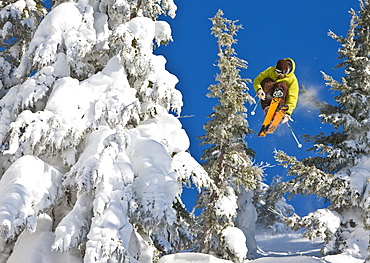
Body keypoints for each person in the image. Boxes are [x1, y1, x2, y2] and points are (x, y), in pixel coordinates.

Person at [253, 58, 299, 123]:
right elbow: (257, 80)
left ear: (286, 70)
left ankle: (278, 110)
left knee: (281, 84)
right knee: (267, 81)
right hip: (269, 94)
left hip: (282, 97)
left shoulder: (292, 80)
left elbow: (293, 97)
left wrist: (288, 113)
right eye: (277, 71)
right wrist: (259, 90)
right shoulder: (270, 71)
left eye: (281, 72)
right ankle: (268, 107)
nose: (279, 74)